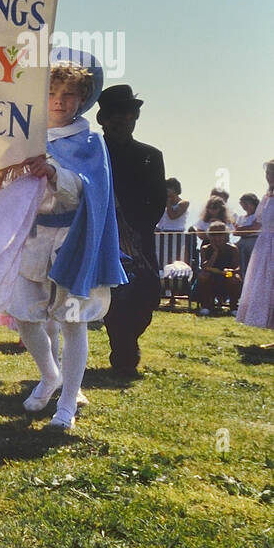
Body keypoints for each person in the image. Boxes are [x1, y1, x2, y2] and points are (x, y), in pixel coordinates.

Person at [0, 52, 126, 430]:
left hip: (72, 240)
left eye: (70, 94)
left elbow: (92, 192)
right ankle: (50, 374)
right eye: (52, 91)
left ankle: (68, 402)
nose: (59, 100)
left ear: (83, 98)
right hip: (32, 239)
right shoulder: (22, 136)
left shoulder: (89, 141)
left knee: (72, 321)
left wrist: (55, 172)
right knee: (25, 316)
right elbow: (10, 187)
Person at [97, 84, 167, 376]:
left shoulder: (151, 155)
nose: (123, 120)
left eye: (128, 115)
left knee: (145, 297)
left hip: (138, 240)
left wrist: (134, 231)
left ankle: (129, 341)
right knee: (112, 297)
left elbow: (158, 201)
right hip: (101, 238)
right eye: (116, 115)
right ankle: (122, 348)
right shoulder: (92, 152)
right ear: (104, 119)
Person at [236, 160, 274, 338]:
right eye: (268, 173)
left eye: (271, 173)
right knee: (267, 288)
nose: (269, 177)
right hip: (265, 245)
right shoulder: (267, 196)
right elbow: (259, 222)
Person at [195, 221, 242, 315]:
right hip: (212, 274)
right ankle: (206, 306)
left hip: (226, 274)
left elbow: (237, 267)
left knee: (234, 278)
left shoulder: (233, 249)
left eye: (220, 234)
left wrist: (230, 270)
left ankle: (233, 307)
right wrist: (215, 252)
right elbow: (204, 267)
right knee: (203, 276)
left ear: (226, 235)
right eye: (213, 235)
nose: (217, 238)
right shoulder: (205, 248)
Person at [235, 192, 261, 278]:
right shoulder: (241, 218)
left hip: (254, 241)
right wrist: (244, 230)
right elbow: (235, 231)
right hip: (242, 242)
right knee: (242, 264)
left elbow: (255, 227)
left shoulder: (258, 216)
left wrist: (242, 229)